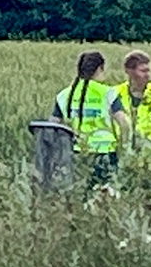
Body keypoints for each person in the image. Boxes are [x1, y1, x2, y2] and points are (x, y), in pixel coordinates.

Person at [53, 50, 127, 179]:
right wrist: (126, 146)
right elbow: (124, 122)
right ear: (100, 68)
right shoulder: (108, 93)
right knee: (104, 194)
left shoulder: (64, 95)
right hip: (105, 152)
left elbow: (52, 126)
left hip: (76, 153)